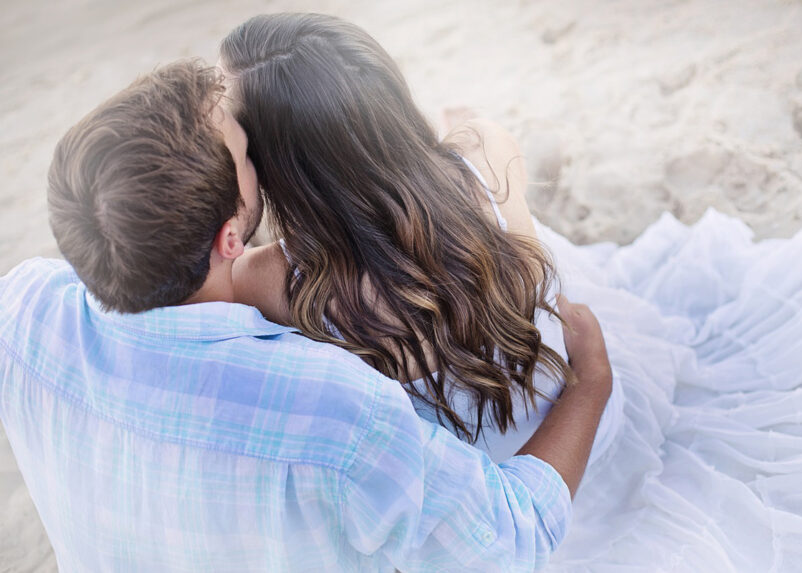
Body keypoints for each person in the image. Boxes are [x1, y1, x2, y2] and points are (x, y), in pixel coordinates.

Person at [220, 13, 802, 572]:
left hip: (493, 494)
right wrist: (450, 140)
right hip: (579, 424)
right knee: (486, 186)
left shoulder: (268, 279)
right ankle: (414, 135)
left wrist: (241, 207)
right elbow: (448, 172)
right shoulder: (485, 159)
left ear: (274, 169)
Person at [0, 59, 613, 572]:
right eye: (244, 151)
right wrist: (589, 385)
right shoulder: (332, 406)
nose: (253, 151)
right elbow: (511, 538)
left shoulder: (22, 308)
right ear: (229, 239)